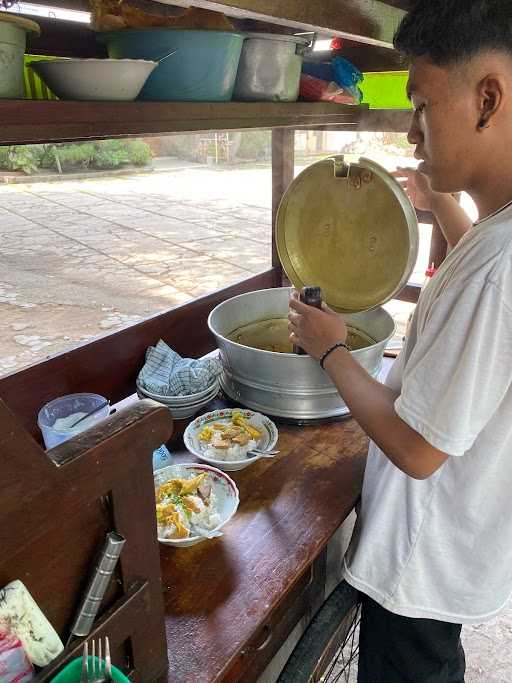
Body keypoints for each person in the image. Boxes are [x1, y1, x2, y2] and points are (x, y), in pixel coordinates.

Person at [288, 2, 512, 681]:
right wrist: (436, 201)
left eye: (421, 103)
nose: (413, 132)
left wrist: (329, 348)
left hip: (422, 561)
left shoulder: (499, 270)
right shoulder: (493, 239)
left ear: (487, 99)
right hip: (450, 546)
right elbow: (475, 261)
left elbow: (417, 449)